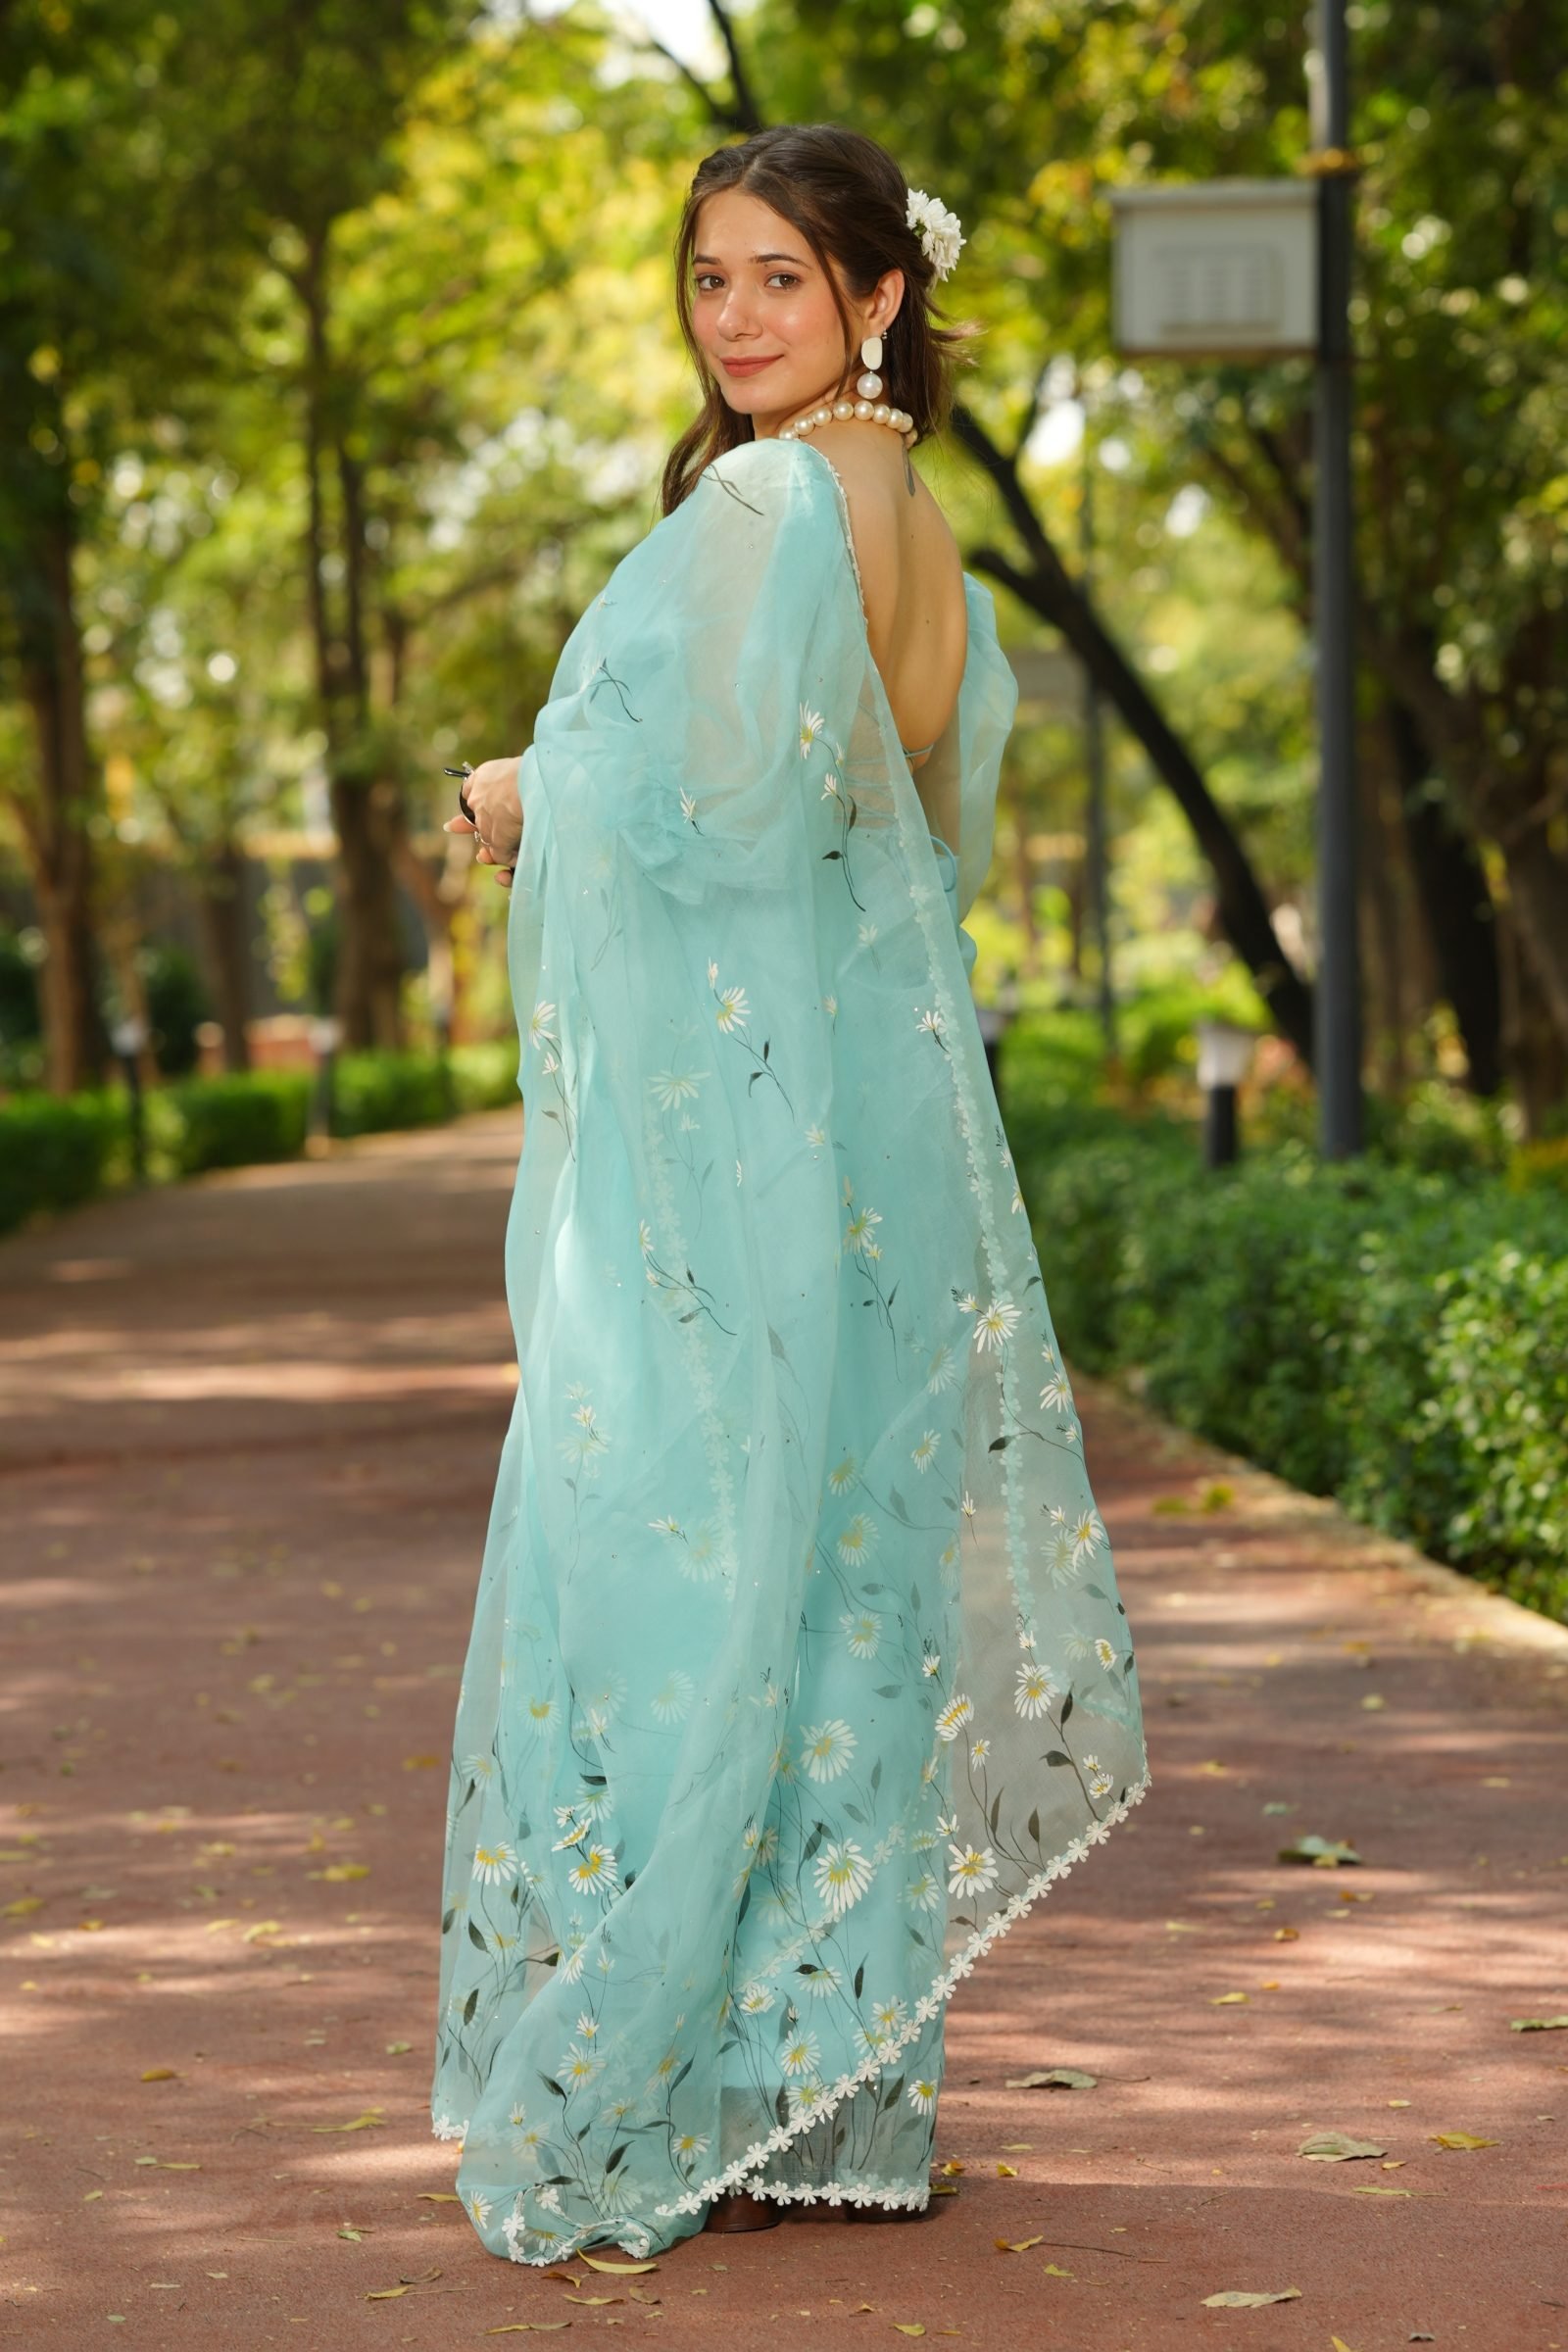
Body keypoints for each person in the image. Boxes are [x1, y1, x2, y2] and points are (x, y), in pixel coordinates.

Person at [431, 122, 1148, 2269]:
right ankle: (827, 2098)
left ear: (877, 294)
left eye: (778, 277)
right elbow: (915, 817)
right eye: (709, 278)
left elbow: (722, 801)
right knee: (836, 1578)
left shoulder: (767, 500)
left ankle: (673, 2083)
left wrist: (524, 789)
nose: (735, 317)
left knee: (678, 1557)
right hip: (866, 1128)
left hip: (741, 1145)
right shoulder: (909, 514)